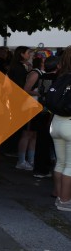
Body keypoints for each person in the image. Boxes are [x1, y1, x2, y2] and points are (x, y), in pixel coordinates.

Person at [51, 47, 71, 211]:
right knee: (70, 166)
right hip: (69, 124)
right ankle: (65, 201)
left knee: (61, 163)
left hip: (56, 122)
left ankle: (59, 196)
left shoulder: (61, 76)